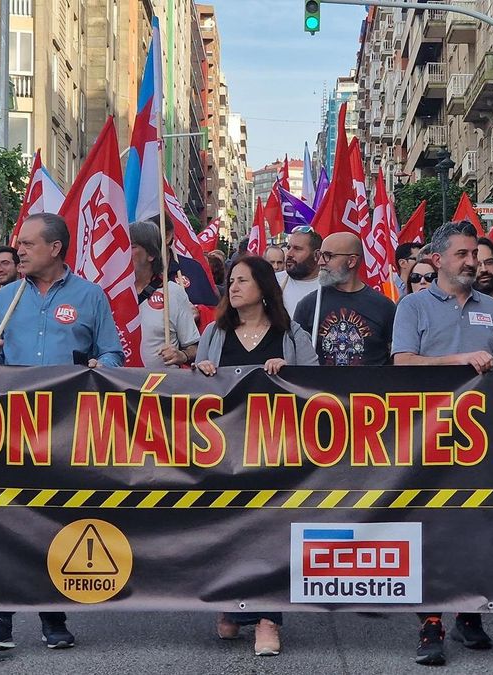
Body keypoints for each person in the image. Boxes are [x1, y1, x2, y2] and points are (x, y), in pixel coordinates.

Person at [0, 213, 124, 652]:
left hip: (66, 426)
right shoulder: (1, 300)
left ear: (55, 248)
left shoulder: (90, 296)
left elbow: (111, 352)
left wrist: (100, 368)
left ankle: (53, 615)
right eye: (18, 245)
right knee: (6, 520)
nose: (19, 251)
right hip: (11, 426)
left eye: (29, 244)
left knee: (56, 519)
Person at [393, 222, 493, 666]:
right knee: (429, 528)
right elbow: (403, 362)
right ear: (438, 259)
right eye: (463, 254)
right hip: (428, 437)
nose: (471, 262)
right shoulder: (413, 306)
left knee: (476, 526)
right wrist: (459, 359)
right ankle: (430, 623)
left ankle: (468, 613)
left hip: (482, 438)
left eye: (475, 254)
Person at [194, 255, 316, 657]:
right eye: (230, 281)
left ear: (264, 288)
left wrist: (290, 373)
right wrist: (204, 369)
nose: (233, 287)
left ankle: (267, 618)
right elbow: (195, 390)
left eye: (242, 280)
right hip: (224, 449)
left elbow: (315, 385)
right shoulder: (214, 332)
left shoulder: (291, 334)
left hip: (277, 448)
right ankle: (232, 607)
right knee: (227, 527)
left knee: (269, 531)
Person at [293, 232, 395, 365]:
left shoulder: (384, 306)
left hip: (371, 384)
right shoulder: (309, 305)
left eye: (328, 256)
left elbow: (394, 356)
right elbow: (294, 354)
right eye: (319, 254)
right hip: (321, 385)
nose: (320, 262)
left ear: (351, 261)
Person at [130, 221, 201, 369]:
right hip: (117, 387)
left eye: (132, 246)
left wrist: (182, 356)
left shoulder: (173, 293)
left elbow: (195, 347)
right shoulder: (110, 293)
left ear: (151, 254)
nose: (124, 252)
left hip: (160, 388)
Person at [274, 226, 322, 312]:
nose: (289, 254)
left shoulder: (328, 287)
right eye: (289, 248)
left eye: (297, 249)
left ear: (316, 255)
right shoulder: (273, 282)